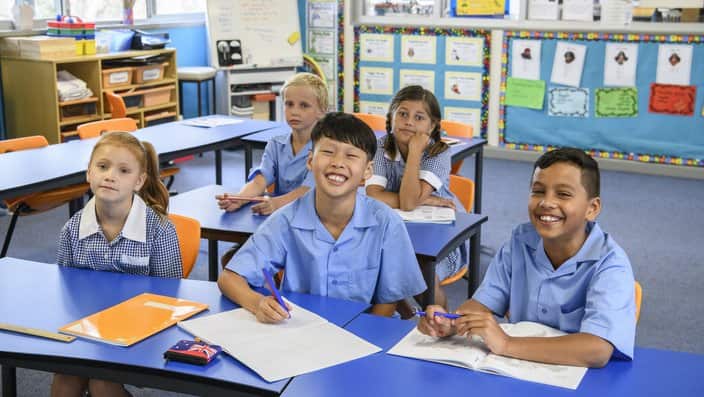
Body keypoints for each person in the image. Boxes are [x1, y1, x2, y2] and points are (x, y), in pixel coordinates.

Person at [418, 148, 636, 368]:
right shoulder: (520, 243)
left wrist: (506, 344)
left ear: (592, 208)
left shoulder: (610, 264)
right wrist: (452, 322)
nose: (546, 202)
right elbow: (482, 304)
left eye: (563, 194)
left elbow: (597, 350)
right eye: (538, 191)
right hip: (521, 371)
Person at [217, 112, 426, 323]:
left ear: (367, 171)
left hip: (363, 335)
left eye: (351, 156)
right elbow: (229, 277)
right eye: (327, 152)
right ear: (310, 160)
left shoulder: (387, 223)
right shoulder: (286, 220)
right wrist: (257, 303)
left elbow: (388, 301)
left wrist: (357, 338)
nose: (337, 162)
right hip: (300, 333)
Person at [53, 131, 182, 396]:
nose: (110, 175)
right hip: (87, 327)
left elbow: (169, 299)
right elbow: (67, 294)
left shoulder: (160, 231)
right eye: (102, 167)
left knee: (101, 383)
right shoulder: (71, 230)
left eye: (123, 171)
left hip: (141, 332)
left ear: (139, 181)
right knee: (65, 379)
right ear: (89, 173)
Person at [365, 85, 467, 312]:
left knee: (421, 275)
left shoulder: (438, 152)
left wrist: (414, 153)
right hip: (395, 227)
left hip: (440, 237)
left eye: (418, 117)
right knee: (371, 261)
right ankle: (404, 312)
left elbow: (409, 203)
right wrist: (420, 198)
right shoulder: (381, 146)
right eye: (402, 114)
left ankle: (439, 326)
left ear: (432, 126)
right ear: (391, 116)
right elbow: (373, 196)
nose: (408, 122)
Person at [215, 72, 328, 216]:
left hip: (311, 216)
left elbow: (307, 191)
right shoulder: (276, 144)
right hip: (281, 216)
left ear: (321, 111)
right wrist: (239, 199)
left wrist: (276, 204)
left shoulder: (325, 150)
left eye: (304, 106)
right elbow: (260, 181)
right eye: (289, 104)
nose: (294, 111)